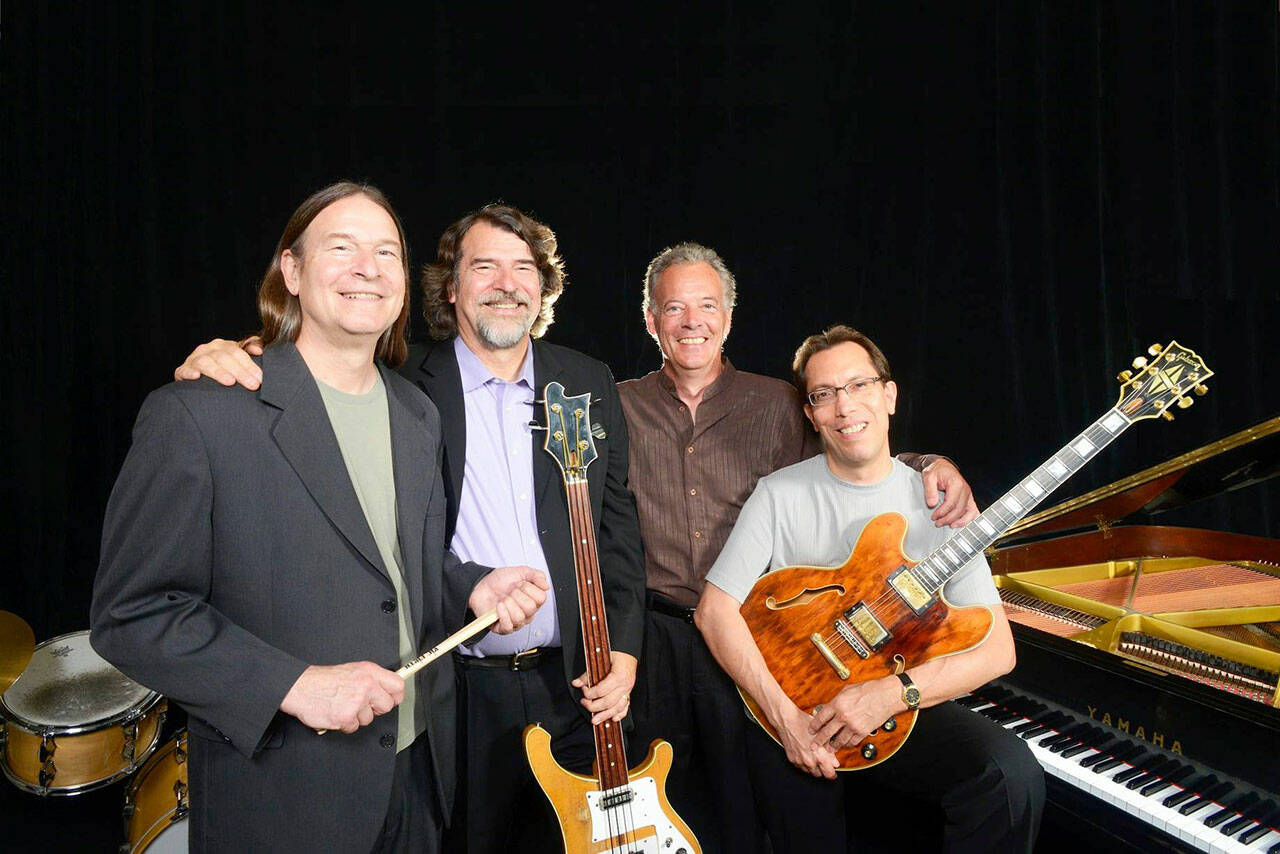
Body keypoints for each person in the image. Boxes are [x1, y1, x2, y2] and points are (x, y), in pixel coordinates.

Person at [173, 203, 646, 853]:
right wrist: (238, 353)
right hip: (453, 689)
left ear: (544, 285)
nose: (507, 284)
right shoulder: (398, 382)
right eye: (484, 267)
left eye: (523, 268)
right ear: (449, 287)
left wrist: (624, 650)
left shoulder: (587, 380)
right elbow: (311, 374)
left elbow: (617, 529)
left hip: (573, 684)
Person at [91, 182, 548, 853]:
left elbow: (400, 570)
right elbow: (132, 614)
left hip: (419, 778)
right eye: (342, 248)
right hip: (285, 794)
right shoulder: (200, 412)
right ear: (292, 271)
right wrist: (294, 685)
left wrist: (471, 586)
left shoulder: (416, 415)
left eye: (386, 252)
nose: (368, 268)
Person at [619, 245, 981, 851]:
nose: (692, 321)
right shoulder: (618, 405)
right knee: (668, 814)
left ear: (728, 317)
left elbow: (853, 448)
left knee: (749, 819)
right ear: (651, 320)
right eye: (674, 308)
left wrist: (927, 463)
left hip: (755, 640)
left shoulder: (779, 404)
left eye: (707, 305)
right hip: (654, 641)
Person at [696, 324, 1044, 853]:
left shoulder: (941, 504)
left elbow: (999, 651)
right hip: (795, 711)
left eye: (859, 385)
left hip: (894, 702)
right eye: (824, 394)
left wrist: (890, 695)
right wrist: (786, 721)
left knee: (1009, 775)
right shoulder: (778, 494)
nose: (844, 406)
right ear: (811, 414)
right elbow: (714, 611)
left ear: (890, 396)